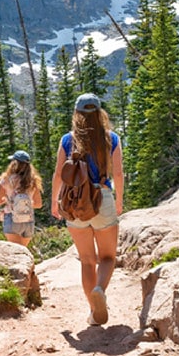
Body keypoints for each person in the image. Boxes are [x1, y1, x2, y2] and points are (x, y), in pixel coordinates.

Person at [51, 93, 124, 326]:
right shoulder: (111, 138)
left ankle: (94, 312)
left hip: (75, 203)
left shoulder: (67, 140)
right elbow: (119, 174)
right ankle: (100, 290)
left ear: (77, 114)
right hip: (102, 197)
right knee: (108, 257)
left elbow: (58, 174)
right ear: (100, 113)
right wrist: (119, 201)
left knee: (86, 260)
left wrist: (55, 202)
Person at [0, 150, 43, 247]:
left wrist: (8, 201)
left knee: (15, 253)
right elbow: (38, 204)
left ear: (14, 163)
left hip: (12, 219)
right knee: (24, 251)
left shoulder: (6, 180)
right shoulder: (33, 181)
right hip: (28, 220)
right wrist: (25, 204)